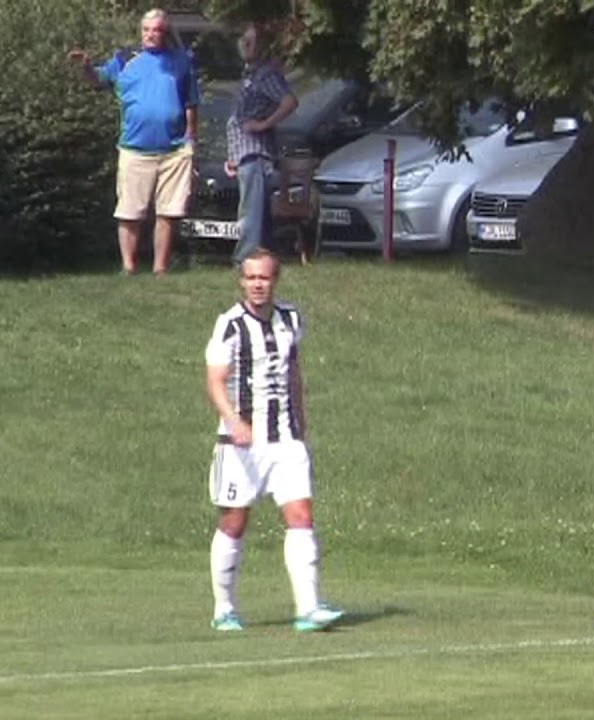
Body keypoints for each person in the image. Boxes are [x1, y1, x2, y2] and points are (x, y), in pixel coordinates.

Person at [203, 248, 343, 632]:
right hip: (241, 445)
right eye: (250, 278)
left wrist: (302, 422)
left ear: (275, 280)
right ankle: (224, 608)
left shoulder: (290, 319)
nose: (257, 285)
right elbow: (214, 381)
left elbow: (293, 370)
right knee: (234, 522)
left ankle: (308, 608)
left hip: (285, 438)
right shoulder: (229, 325)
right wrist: (233, 420)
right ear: (242, 281)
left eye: (263, 278)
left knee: (301, 517)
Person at [68, 8, 200, 276]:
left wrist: (190, 139)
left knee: (168, 212)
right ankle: (128, 267)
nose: (152, 35)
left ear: (165, 33)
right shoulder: (125, 59)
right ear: (141, 32)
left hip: (174, 149)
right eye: (147, 30)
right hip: (135, 149)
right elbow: (97, 80)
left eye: (157, 30)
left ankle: (160, 269)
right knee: (130, 211)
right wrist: (85, 67)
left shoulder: (181, 61)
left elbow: (191, 103)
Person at [224, 23, 298, 264]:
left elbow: (289, 101)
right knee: (259, 214)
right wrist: (233, 158)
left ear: (263, 47)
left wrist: (264, 124)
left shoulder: (266, 75)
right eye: (243, 40)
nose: (245, 45)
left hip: (256, 155)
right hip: (244, 155)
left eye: (252, 41)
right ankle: (264, 260)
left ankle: (245, 260)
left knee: (251, 214)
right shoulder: (249, 76)